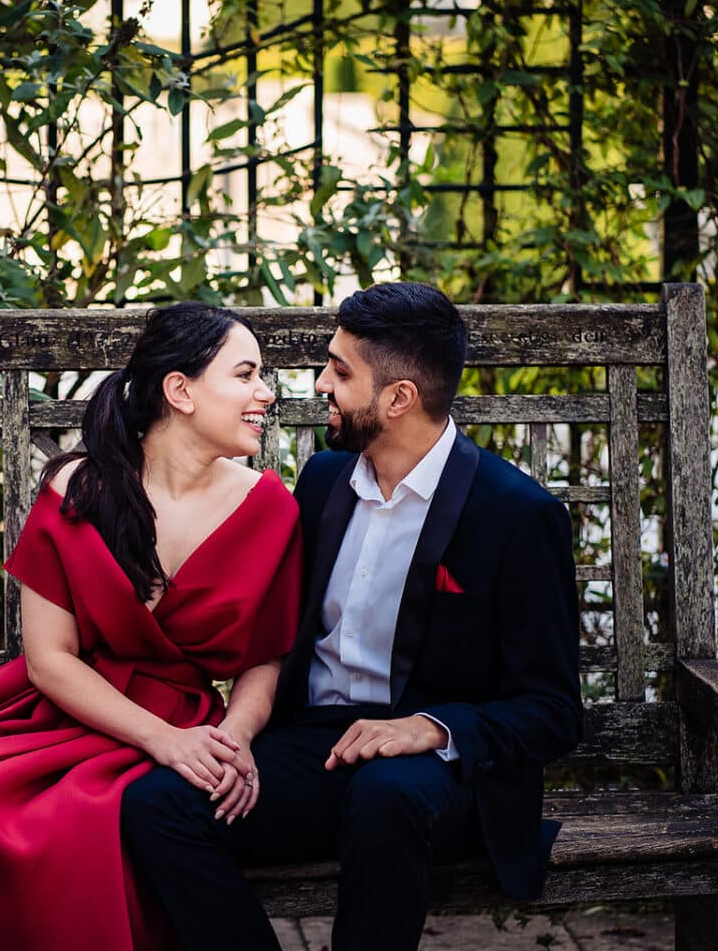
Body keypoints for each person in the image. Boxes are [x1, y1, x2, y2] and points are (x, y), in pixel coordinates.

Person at [0, 302, 304, 950]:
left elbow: (265, 658)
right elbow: (49, 659)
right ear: (180, 391)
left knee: (112, 825)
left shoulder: (269, 507)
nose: (265, 393)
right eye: (245, 376)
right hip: (68, 712)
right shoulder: (80, 488)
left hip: (191, 727)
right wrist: (161, 740)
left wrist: (233, 741)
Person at [122, 282, 584, 951]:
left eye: (340, 372)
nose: (319, 385)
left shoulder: (515, 515)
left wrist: (429, 727)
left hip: (434, 771)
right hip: (315, 749)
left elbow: (554, 711)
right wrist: (240, 734)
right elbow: (276, 632)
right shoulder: (324, 482)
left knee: (387, 794)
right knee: (157, 805)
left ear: (398, 399)